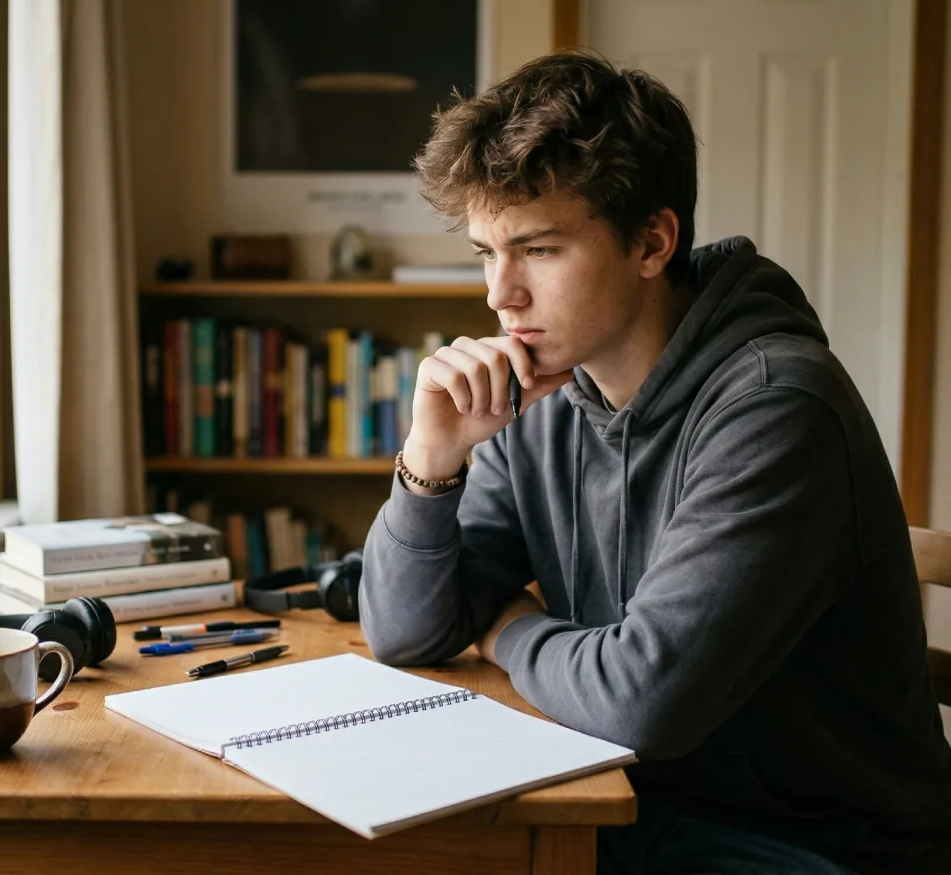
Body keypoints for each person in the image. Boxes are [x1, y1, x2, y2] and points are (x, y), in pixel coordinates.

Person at [358, 52, 951, 875]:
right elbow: (405, 634)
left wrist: (507, 629)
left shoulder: (778, 408)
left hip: (813, 850)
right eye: (485, 254)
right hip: (636, 807)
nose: (501, 295)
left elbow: (643, 702)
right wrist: (431, 462)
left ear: (652, 242)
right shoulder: (542, 395)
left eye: (538, 249)